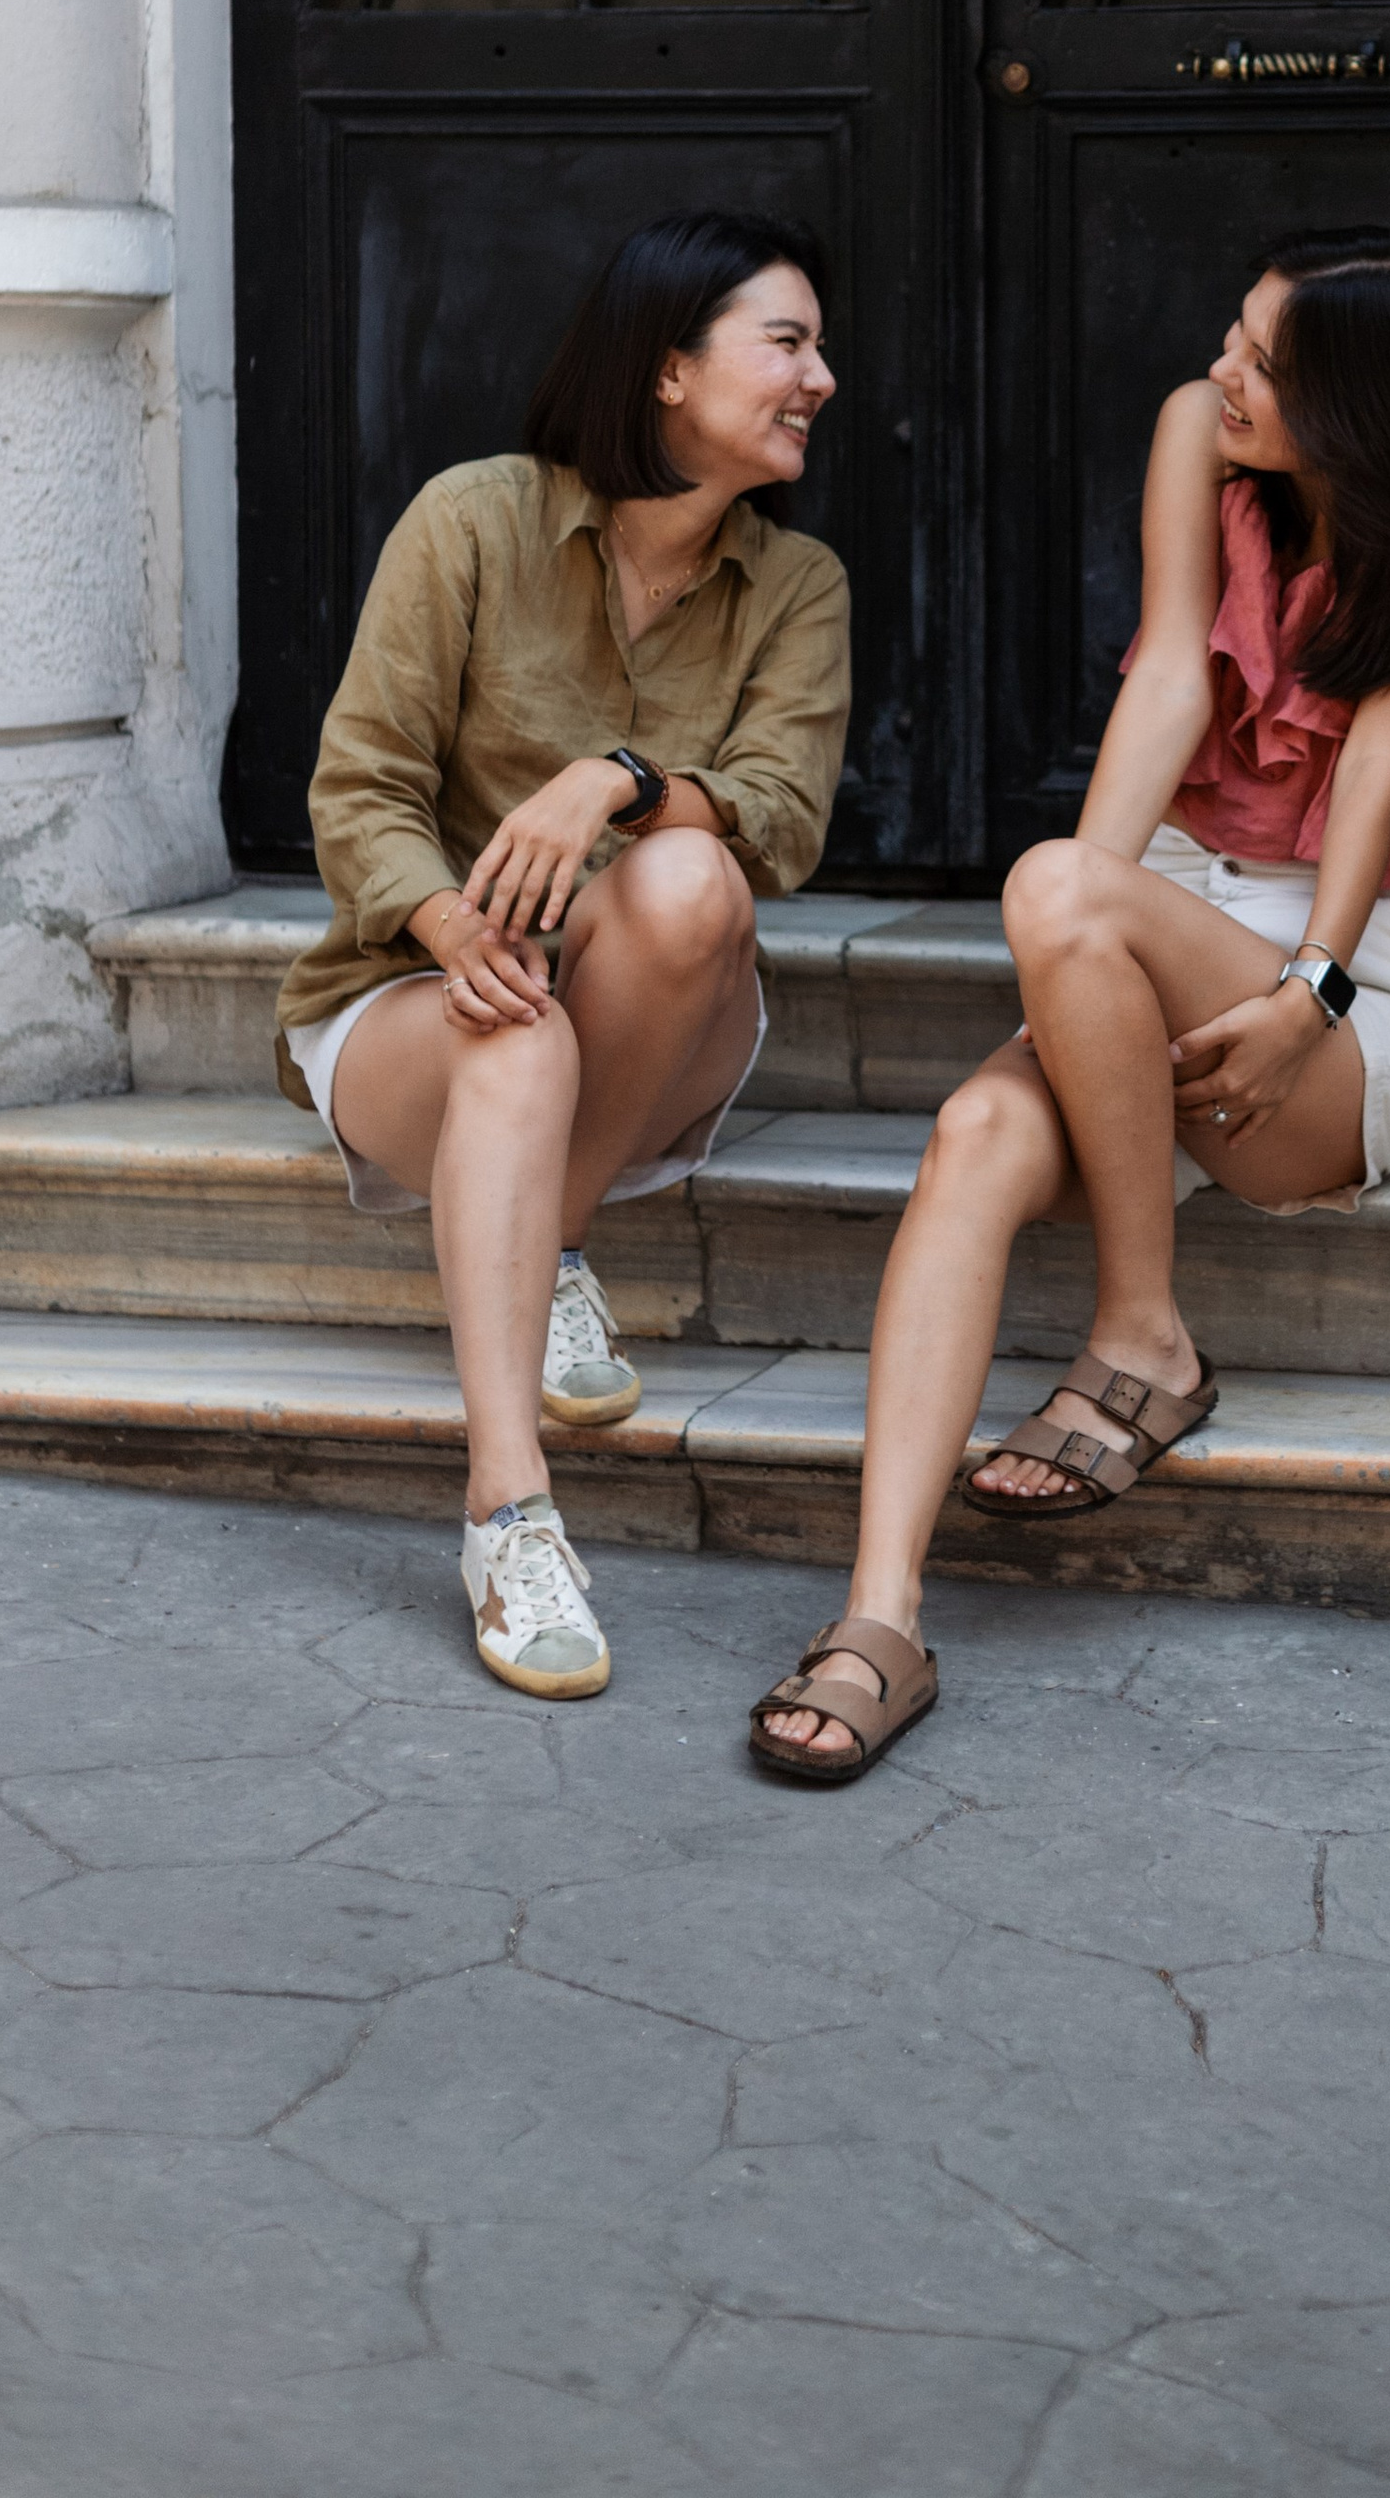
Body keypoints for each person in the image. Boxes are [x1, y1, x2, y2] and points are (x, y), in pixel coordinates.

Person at [749, 225, 1390, 1781]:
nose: (1221, 371)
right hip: (1148, 910)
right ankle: (879, 1619)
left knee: (1061, 890)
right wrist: (1071, 947)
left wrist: (1316, 981)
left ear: (1360, 410)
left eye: (1262, 362)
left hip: (1335, 975)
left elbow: (1376, 755)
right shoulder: (1194, 433)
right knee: (972, 1130)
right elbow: (1170, 672)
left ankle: (1139, 1334)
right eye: (1233, 334)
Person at [275, 208, 849, 1702]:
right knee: (515, 1027)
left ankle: (558, 1231)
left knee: (690, 881)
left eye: (815, 347)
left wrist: (622, 776)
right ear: (669, 369)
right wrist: (450, 922)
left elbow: (781, 820)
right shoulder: (471, 520)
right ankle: (506, 1511)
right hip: (417, 998)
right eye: (786, 344)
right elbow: (360, 785)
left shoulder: (798, 588)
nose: (821, 378)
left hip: (656, 1010)